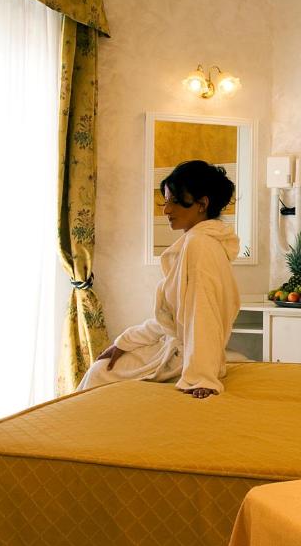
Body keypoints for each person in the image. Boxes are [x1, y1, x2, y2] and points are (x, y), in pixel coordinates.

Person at [78, 160, 241, 398]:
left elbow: (202, 313)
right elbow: (172, 318)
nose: (166, 210)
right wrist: (124, 342)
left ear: (202, 204)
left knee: (99, 374)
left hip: (188, 359)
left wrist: (201, 377)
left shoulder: (200, 245)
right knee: (100, 368)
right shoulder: (201, 242)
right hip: (181, 350)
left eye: (174, 201)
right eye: (165, 201)